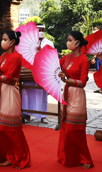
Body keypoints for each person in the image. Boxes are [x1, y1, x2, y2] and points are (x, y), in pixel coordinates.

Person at [0, 30, 31, 168]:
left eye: (5, 39)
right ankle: (6, 155)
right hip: (2, 92)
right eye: (2, 38)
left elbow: (9, 77)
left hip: (10, 92)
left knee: (11, 129)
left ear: (12, 42)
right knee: (1, 127)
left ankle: (19, 156)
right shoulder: (4, 55)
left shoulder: (16, 57)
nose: (2, 41)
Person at [57, 31, 93, 169]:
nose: (68, 42)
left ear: (77, 43)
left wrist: (67, 80)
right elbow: (55, 66)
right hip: (67, 92)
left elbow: (83, 82)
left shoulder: (84, 60)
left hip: (77, 94)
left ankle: (84, 158)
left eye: (70, 40)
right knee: (66, 127)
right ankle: (67, 156)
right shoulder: (66, 58)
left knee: (75, 128)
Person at [21, 24, 54, 123]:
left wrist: (41, 52)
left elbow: (51, 57)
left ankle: (43, 115)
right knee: (26, 92)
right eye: (38, 29)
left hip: (42, 73)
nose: (41, 31)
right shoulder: (28, 43)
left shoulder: (49, 43)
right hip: (29, 73)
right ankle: (26, 114)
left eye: (42, 29)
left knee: (42, 94)